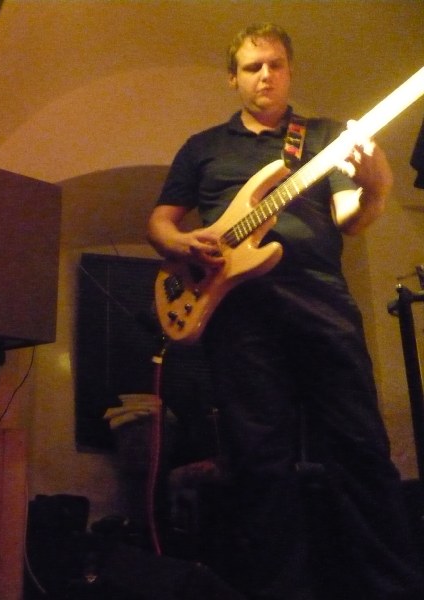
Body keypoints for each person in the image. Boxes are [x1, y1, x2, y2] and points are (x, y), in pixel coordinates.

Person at [148, 22, 423, 600]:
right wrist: (181, 244)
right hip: (237, 315)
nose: (265, 75)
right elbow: (161, 222)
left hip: (321, 302)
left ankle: (390, 586)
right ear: (233, 77)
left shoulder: (324, 137)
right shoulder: (203, 147)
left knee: (360, 446)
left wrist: (376, 189)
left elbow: (349, 218)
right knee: (258, 461)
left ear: (290, 70)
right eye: (252, 67)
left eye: (275, 64)